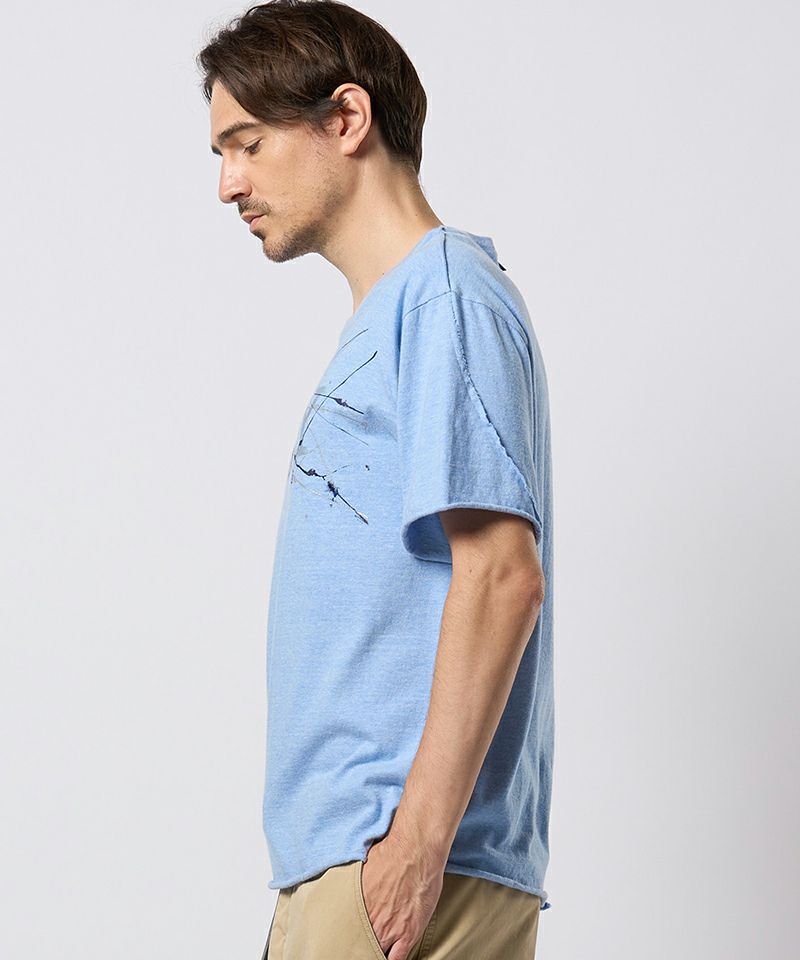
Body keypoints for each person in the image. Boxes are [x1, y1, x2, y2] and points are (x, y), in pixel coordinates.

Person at [197, 2, 554, 957]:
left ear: (347, 119)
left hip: (395, 864)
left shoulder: (443, 296)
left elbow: (502, 575)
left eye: (248, 144)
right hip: (361, 862)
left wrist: (416, 847)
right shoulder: (408, 307)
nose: (228, 184)